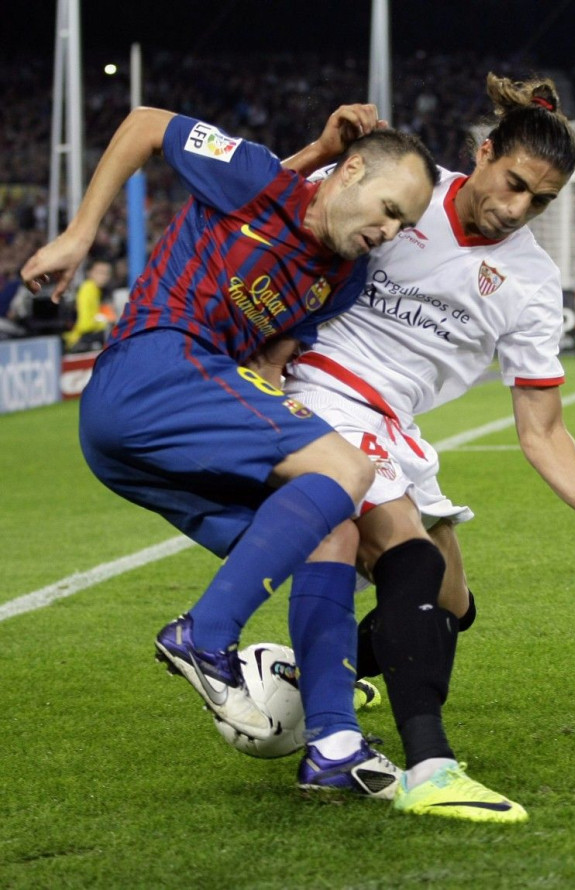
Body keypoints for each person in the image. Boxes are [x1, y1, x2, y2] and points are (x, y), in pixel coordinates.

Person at [280, 73, 575, 822]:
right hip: (318, 390)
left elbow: (541, 428)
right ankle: (430, 768)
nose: (516, 209)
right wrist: (318, 150)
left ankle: (297, 678)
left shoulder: (532, 282)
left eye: (539, 200)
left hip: (394, 422)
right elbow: (273, 208)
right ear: (482, 153)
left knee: (451, 606)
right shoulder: (404, 188)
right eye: (512, 184)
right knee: (412, 558)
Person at [21, 103, 438, 798]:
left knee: (333, 529)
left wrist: (277, 372)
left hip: (154, 432)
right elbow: (146, 124)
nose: (388, 231)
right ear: (354, 169)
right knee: (349, 468)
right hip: (154, 366)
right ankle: (204, 636)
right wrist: (78, 235)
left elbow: (274, 354)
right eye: (390, 209)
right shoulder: (252, 178)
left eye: (403, 225)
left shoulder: (342, 280)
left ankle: (333, 742)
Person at [63, 258, 113, 352]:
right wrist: (104, 323)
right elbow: (85, 324)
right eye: (100, 272)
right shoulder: (88, 288)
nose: (104, 276)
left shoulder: (99, 291)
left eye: (107, 273)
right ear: (90, 273)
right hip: (79, 340)